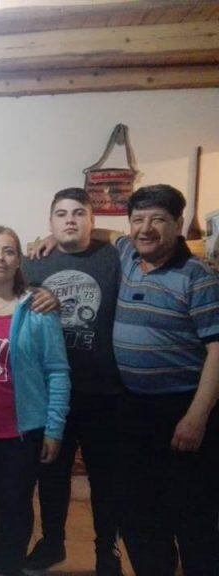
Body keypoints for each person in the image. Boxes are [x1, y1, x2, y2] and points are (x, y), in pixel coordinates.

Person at [112, 185, 219, 575]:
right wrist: (53, 237)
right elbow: (107, 234)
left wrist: (197, 416)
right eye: (138, 219)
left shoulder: (198, 277)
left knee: (193, 516)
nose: (146, 228)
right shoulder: (126, 253)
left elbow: (218, 352)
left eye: (158, 219)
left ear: (177, 224)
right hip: (133, 411)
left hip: (181, 409)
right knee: (139, 514)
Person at [0, 225, 70, 576]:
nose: (0, 258)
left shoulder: (37, 308)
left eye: (7, 251)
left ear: (18, 260)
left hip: (22, 431)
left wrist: (54, 429)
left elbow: (58, 371)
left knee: (15, 506)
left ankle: (7, 566)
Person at [21, 189, 123, 575]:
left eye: (79, 213)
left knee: (105, 479)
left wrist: (107, 234)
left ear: (92, 220)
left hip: (104, 390)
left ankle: (106, 551)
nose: (69, 220)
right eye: (60, 214)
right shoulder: (35, 262)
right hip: (50, 393)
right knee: (51, 474)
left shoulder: (113, 257)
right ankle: (52, 543)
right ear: (49, 222)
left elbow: (133, 238)